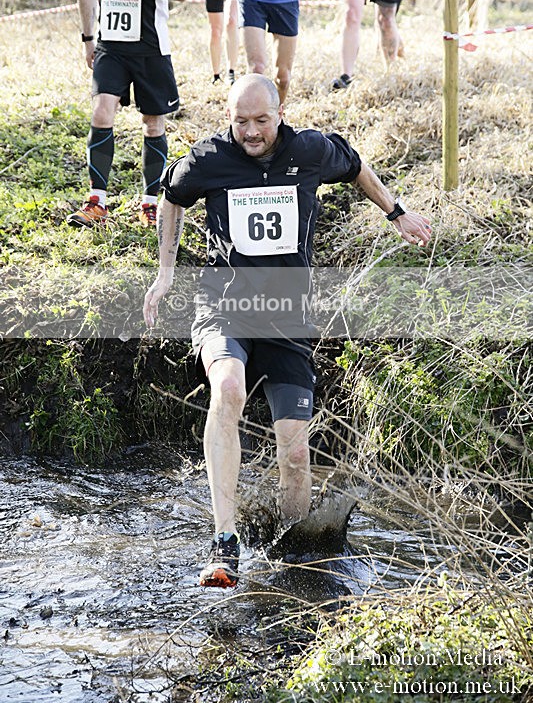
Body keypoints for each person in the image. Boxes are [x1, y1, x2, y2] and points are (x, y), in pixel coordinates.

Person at [143, 73, 431, 588]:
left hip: (289, 317)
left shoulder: (312, 151)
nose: (251, 132)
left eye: (261, 120)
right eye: (240, 121)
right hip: (224, 307)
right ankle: (225, 543)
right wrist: (166, 272)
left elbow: (359, 166)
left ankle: (295, 553)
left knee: (296, 454)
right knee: (227, 387)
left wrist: (398, 214)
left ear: (279, 112)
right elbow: (171, 199)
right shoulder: (207, 159)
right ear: (228, 118)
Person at [67, 0, 188, 229]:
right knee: (101, 112)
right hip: (111, 47)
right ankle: (97, 202)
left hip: (150, 48)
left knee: (152, 124)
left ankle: (150, 205)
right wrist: (88, 37)